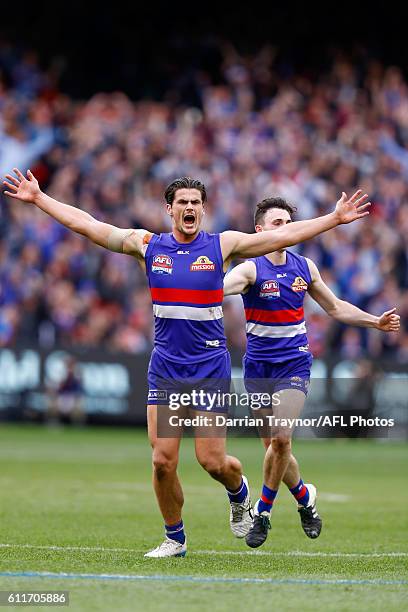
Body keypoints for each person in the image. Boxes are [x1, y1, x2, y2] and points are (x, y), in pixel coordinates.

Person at [3, 168, 371, 558]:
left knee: (213, 462)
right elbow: (90, 226)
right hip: (166, 368)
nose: (190, 208)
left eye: (196, 202)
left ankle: (238, 490)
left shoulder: (223, 245)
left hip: (209, 367)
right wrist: (40, 199)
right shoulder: (148, 246)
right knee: (162, 460)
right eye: (183, 203)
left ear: (203, 209)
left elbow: (282, 236)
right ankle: (174, 539)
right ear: (170, 209)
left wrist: (333, 219)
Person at [223, 197, 400, 548]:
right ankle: (305, 498)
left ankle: (263, 513)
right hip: (258, 368)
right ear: (259, 231)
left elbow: (335, 307)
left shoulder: (305, 267)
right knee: (274, 447)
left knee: (282, 438)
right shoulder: (250, 269)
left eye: (287, 222)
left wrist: (374, 322)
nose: (284, 228)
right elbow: (215, 292)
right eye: (276, 223)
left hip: (295, 363)